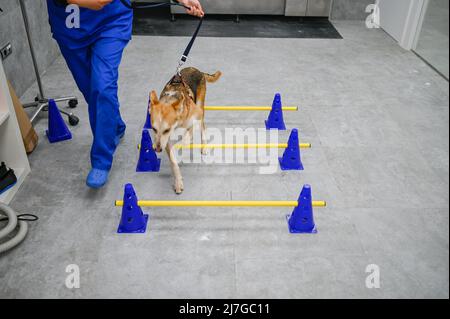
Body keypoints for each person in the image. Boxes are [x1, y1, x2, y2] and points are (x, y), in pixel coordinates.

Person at [46, 0, 204, 188]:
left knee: (102, 87)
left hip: (110, 21)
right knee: (91, 92)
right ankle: (115, 126)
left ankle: (101, 161)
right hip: (69, 28)